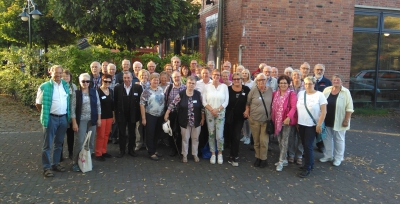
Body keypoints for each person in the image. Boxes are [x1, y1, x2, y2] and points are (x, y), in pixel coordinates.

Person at [36, 65, 70, 177]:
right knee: (47, 145)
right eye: (56, 72)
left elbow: (68, 101)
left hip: (63, 118)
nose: (58, 75)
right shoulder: (44, 86)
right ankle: (46, 167)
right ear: (50, 72)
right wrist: (45, 114)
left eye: (60, 73)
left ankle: (56, 164)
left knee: (59, 143)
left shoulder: (66, 85)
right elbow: (38, 104)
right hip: (51, 118)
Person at [164, 76, 204, 163]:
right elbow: (172, 103)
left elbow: (202, 107)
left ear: (195, 84)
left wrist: (203, 118)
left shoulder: (198, 94)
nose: (191, 85)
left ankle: (195, 154)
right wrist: (167, 113)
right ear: (186, 84)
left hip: (196, 121)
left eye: (193, 83)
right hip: (184, 121)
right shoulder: (182, 94)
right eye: (189, 83)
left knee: (195, 138)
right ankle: (184, 155)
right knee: (185, 139)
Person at [296, 76, 327, 178]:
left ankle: (307, 167)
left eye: (310, 84)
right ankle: (310, 164)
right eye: (306, 84)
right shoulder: (301, 94)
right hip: (301, 124)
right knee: (305, 145)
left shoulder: (319, 95)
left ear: (314, 84)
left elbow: (324, 111)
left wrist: (319, 124)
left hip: (312, 125)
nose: (308, 86)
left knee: (308, 146)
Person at [321, 74, 354, 166]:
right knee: (327, 138)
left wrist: (346, 120)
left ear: (341, 82)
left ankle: (338, 158)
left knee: (339, 140)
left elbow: (350, 108)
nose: (336, 81)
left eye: (338, 80)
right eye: (334, 80)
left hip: (340, 120)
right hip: (326, 119)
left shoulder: (346, 92)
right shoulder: (327, 90)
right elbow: (321, 103)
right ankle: (328, 155)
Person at [71, 73, 101, 172]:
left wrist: (99, 119)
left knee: (90, 142)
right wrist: (74, 123)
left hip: (92, 120)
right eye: (83, 81)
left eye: (87, 81)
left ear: (90, 82)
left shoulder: (94, 92)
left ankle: (87, 161)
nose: (85, 83)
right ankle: (75, 162)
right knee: (80, 141)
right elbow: (72, 109)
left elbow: (98, 106)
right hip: (81, 120)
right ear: (79, 82)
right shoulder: (77, 93)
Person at [244, 73, 273, 168]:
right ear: (257, 81)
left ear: (266, 81)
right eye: (259, 80)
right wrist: (247, 111)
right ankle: (258, 157)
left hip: (266, 121)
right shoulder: (253, 91)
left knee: (263, 141)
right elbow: (248, 103)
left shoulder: (271, 91)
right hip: (254, 120)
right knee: (256, 141)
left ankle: (263, 159)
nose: (261, 82)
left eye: (263, 80)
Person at [202, 69, 229, 164]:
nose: (216, 76)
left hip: (220, 113)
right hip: (209, 113)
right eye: (214, 74)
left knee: (219, 135)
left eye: (218, 75)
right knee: (211, 134)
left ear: (220, 76)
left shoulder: (224, 87)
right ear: (211, 75)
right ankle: (213, 153)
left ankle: (220, 153)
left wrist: (217, 109)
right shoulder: (207, 87)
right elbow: (204, 101)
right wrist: (212, 110)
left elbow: (226, 101)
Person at [114, 71, 143, 158]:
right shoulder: (117, 88)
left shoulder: (138, 87)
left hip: (133, 114)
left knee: (132, 133)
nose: (127, 79)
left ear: (132, 78)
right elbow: (115, 102)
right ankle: (122, 150)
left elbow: (140, 102)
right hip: (121, 114)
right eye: (125, 78)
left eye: (128, 78)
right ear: (123, 78)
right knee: (122, 133)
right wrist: (115, 115)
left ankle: (131, 150)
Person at [271, 75, 297, 171]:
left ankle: (281, 161)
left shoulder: (292, 94)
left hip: (286, 121)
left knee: (284, 140)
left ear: (288, 84)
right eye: (281, 83)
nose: (283, 85)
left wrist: (289, 117)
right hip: (276, 120)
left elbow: (294, 107)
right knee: (279, 139)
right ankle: (284, 158)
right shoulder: (275, 93)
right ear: (278, 84)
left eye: (285, 83)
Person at [225, 72, 250, 166]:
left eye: (238, 79)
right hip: (229, 116)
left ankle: (234, 156)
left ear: (241, 80)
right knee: (230, 135)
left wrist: (247, 110)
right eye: (234, 79)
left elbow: (249, 101)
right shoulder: (228, 89)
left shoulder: (246, 89)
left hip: (240, 117)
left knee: (236, 135)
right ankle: (231, 152)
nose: (236, 81)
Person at [140, 73, 165, 161]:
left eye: (157, 80)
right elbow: (142, 104)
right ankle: (151, 152)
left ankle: (154, 149)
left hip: (160, 115)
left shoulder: (161, 89)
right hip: (150, 115)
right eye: (154, 79)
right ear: (150, 81)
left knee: (157, 134)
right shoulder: (146, 91)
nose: (156, 81)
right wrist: (143, 118)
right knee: (150, 134)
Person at [164, 71, 186, 156]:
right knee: (171, 131)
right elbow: (165, 100)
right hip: (171, 112)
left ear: (181, 77)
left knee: (181, 131)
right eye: (174, 77)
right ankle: (173, 148)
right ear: (172, 78)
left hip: (181, 113)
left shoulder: (184, 88)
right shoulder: (168, 88)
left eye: (178, 76)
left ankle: (179, 148)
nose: (176, 78)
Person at [95, 74, 115, 161]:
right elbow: (96, 106)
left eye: (109, 81)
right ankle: (98, 153)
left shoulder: (111, 91)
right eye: (105, 81)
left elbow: (112, 105)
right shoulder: (98, 91)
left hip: (109, 116)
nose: (107, 83)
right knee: (101, 135)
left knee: (106, 135)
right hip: (101, 117)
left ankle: (104, 151)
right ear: (102, 81)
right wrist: (98, 118)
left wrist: (114, 116)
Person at [313, 64, 331, 153]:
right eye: (317, 69)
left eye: (321, 70)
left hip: (322, 109)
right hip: (312, 109)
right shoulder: (310, 80)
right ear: (314, 70)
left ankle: (320, 144)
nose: (319, 71)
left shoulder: (327, 82)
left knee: (321, 127)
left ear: (324, 71)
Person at [288, 69, 305, 165]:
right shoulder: (288, 86)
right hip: (291, 114)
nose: (296, 76)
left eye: (298, 75)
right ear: (292, 76)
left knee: (300, 136)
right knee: (291, 136)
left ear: (301, 76)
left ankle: (299, 155)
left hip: (302, 114)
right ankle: (291, 154)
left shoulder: (305, 86)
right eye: (294, 75)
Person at [195, 68, 213, 156]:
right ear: (201, 74)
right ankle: (198, 149)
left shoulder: (213, 83)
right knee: (199, 130)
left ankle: (207, 149)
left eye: (207, 73)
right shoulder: (197, 83)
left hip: (210, 109)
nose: (205, 75)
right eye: (203, 73)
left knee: (207, 130)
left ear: (210, 74)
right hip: (198, 109)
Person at [61, 70, 77, 160]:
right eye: (64, 76)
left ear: (70, 77)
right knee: (61, 135)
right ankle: (59, 154)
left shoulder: (74, 86)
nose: (66, 78)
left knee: (71, 135)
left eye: (67, 76)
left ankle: (71, 152)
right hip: (62, 114)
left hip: (71, 115)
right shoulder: (60, 86)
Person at [135, 69, 150, 150]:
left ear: (148, 76)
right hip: (138, 109)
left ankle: (147, 144)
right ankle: (139, 143)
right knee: (138, 127)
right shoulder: (136, 86)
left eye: (145, 75)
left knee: (148, 127)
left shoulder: (151, 85)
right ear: (139, 77)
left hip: (148, 109)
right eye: (142, 76)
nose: (144, 77)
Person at [241, 68, 253, 145]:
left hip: (249, 104)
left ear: (248, 74)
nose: (244, 74)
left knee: (248, 121)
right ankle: (245, 135)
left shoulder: (252, 83)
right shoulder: (240, 82)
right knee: (243, 121)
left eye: (246, 73)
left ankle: (249, 137)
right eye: (243, 73)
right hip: (241, 104)